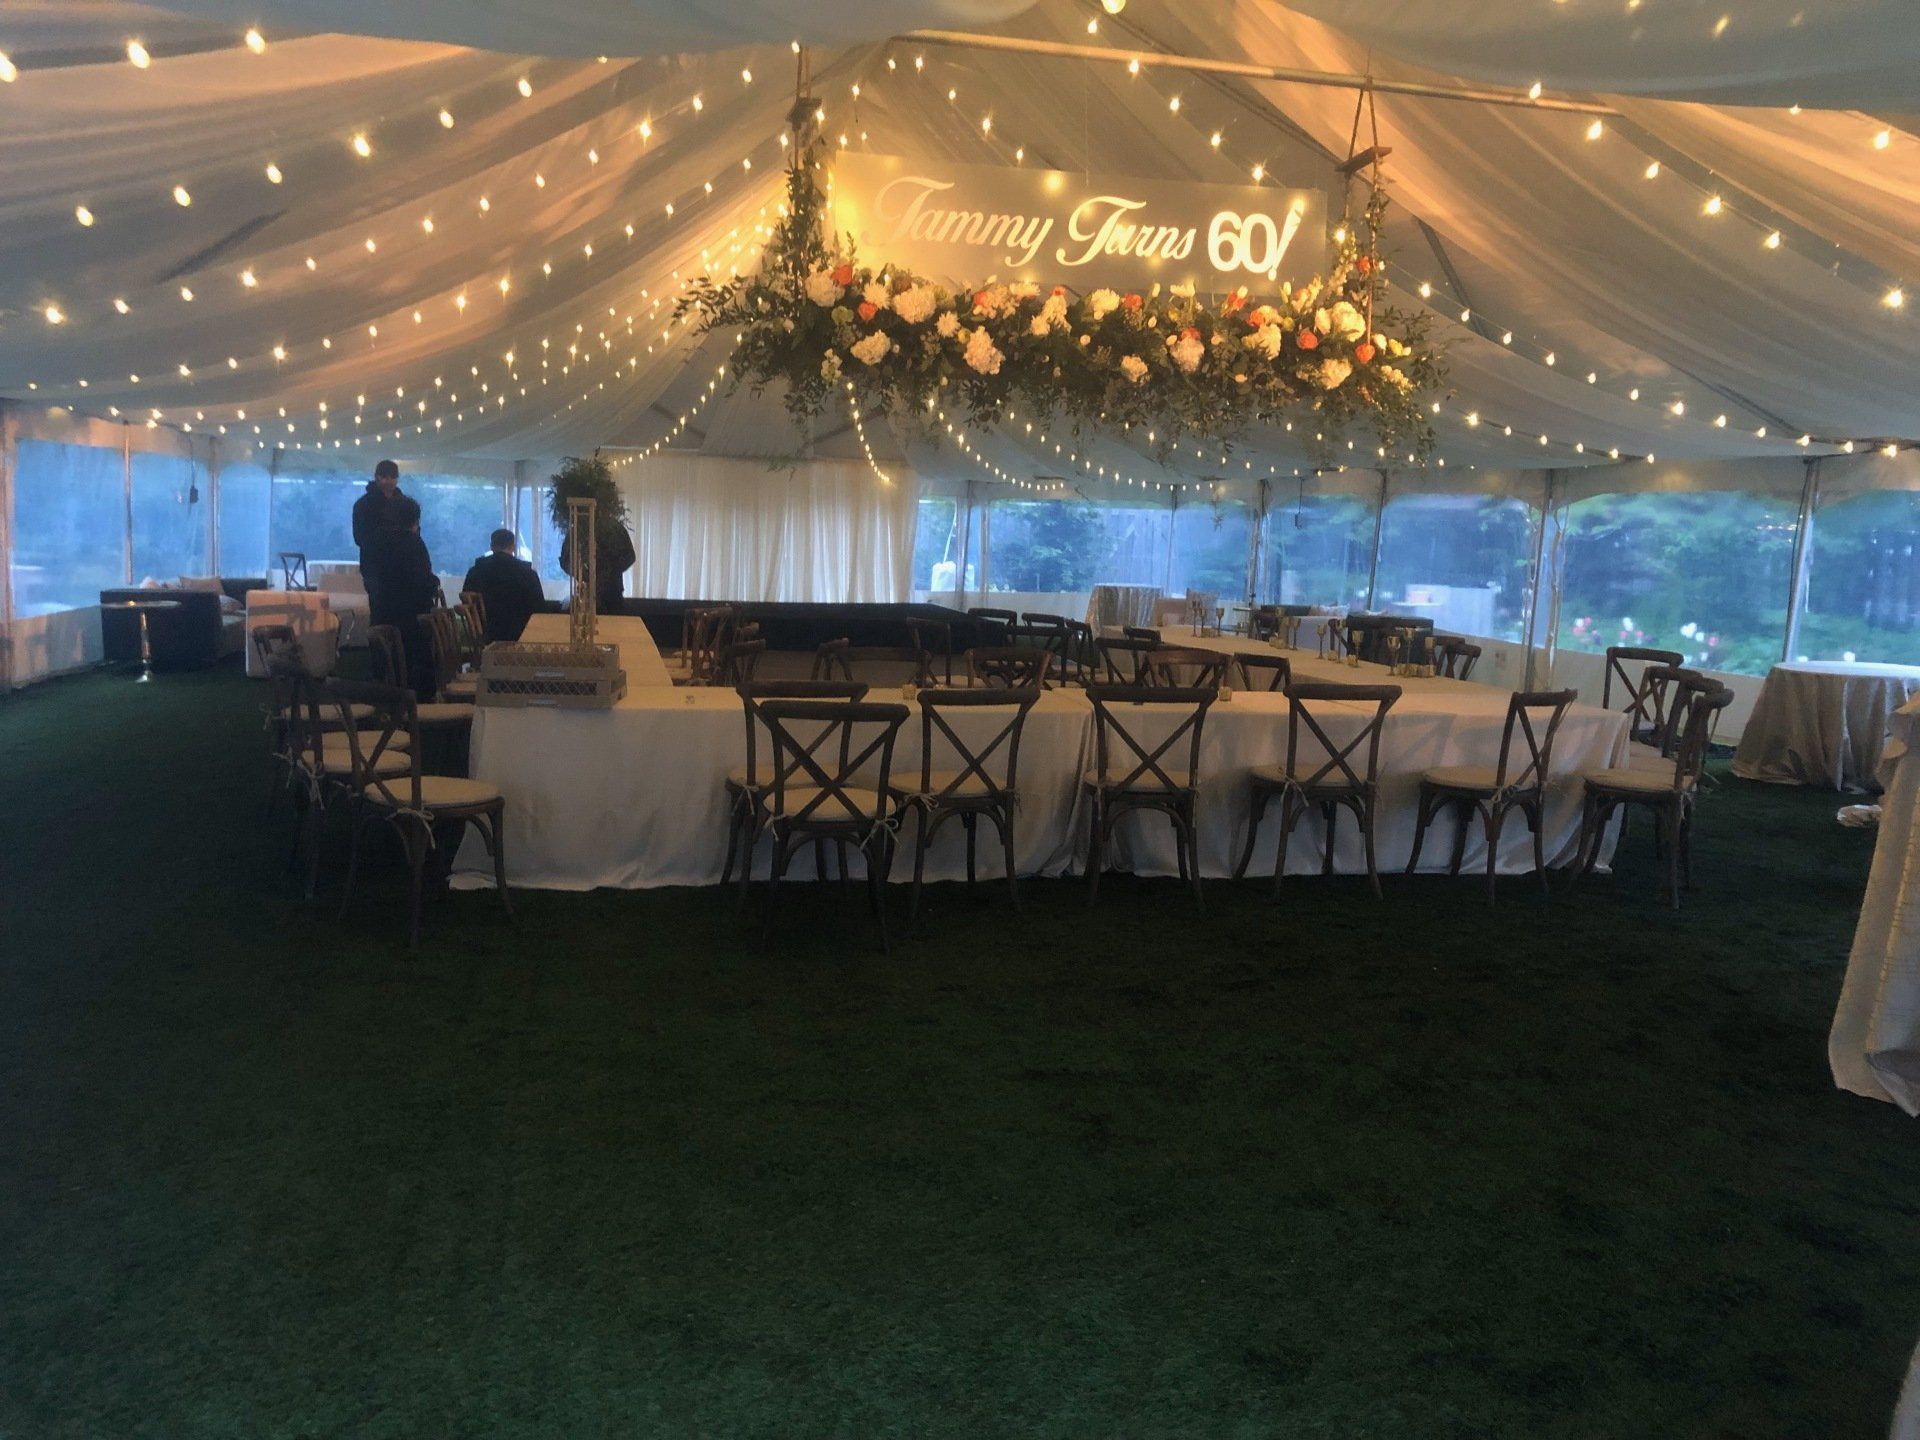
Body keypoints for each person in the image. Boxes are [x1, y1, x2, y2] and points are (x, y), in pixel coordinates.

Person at [365, 495, 439, 699]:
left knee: (385, 668)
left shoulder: (371, 542)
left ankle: (386, 704)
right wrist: (434, 583)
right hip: (411, 619)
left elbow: (368, 578)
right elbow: (422, 581)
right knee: (414, 670)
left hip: (381, 612)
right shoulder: (412, 543)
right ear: (414, 519)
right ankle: (418, 706)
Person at [461, 529, 546, 643]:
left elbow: (466, 601)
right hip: (520, 636)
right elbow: (539, 608)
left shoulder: (475, 572)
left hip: (486, 636)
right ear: (513, 547)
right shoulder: (527, 573)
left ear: (492, 546)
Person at [352, 460, 406, 614]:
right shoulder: (363, 505)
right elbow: (359, 537)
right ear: (376, 477)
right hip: (375, 566)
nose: (389, 481)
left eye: (393, 477)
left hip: (401, 565)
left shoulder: (403, 504)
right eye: (385, 477)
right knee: (379, 609)